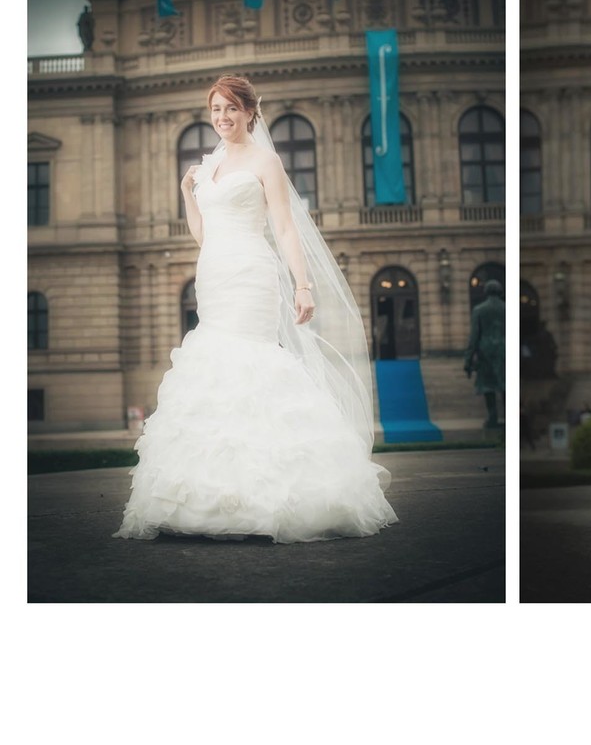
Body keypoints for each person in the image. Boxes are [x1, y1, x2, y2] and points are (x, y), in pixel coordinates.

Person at [114, 74, 397, 543]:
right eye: (215, 110)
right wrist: (188, 193)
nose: (222, 118)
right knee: (213, 367)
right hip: (213, 274)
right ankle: (207, 496)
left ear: (250, 112)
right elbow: (205, 235)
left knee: (252, 364)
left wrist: (302, 285)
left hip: (251, 272)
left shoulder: (266, 160)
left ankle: (270, 494)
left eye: (230, 109)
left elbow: (284, 228)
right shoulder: (209, 165)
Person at [464, 279, 505, 428]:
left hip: (486, 351)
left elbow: (474, 336)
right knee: (505, 385)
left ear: (486, 291)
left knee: (489, 386)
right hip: (505, 349)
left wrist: (468, 359)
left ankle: (492, 418)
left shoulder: (479, 310)